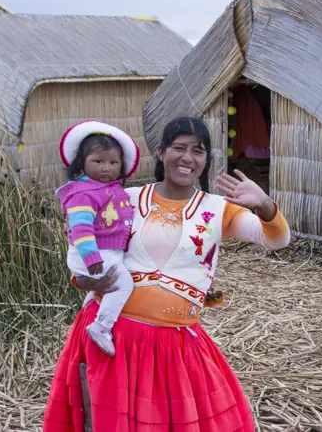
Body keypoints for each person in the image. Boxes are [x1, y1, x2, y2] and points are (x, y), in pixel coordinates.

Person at [44, 117, 290, 432]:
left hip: (173, 349)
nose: (187, 157)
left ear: (205, 161)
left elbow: (276, 240)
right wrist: (83, 280)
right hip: (112, 341)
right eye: (179, 148)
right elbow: (86, 251)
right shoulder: (125, 199)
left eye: (198, 151)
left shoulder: (216, 210)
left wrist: (265, 205)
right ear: (161, 152)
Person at [56, 121, 140, 356]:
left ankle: (87, 315)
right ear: (81, 164)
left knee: (102, 290)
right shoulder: (83, 193)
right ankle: (102, 326)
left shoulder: (111, 190)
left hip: (105, 252)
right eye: (98, 161)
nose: (106, 168)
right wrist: (91, 256)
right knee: (123, 283)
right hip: (94, 253)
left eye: (113, 163)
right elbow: (80, 227)